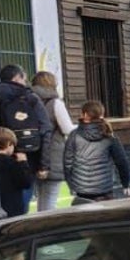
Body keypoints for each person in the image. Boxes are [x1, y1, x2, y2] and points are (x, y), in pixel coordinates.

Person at [0, 64, 51, 213]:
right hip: (25, 158)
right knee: (20, 208)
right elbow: (45, 130)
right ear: (17, 78)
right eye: (24, 78)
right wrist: (43, 165)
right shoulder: (29, 97)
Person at [64, 100, 130, 203]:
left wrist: (71, 186)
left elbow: (67, 164)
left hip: (82, 191)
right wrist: (125, 184)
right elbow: (121, 161)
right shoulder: (109, 135)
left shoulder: (74, 136)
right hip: (105, 190)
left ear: (85, 115)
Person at [31, 71, 75, 211]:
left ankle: (39, 225)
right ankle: (47, 229)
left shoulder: (28, 100)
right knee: (50, 198)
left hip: (33, 154)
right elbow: (68, 129)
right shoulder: (55, 103)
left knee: (41, 197)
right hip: (52, 155)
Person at [0, 128, 34, 218]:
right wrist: (23, 163)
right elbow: (26, 182)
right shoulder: (13, 163)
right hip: (12, 208)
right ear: (8, 144)